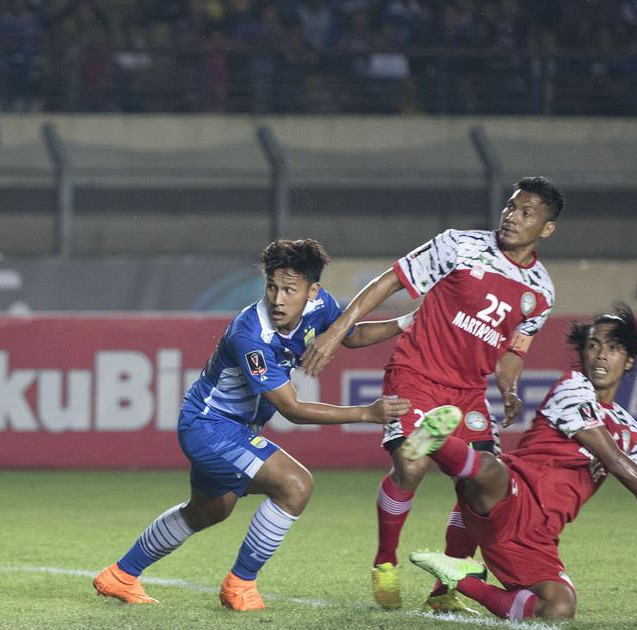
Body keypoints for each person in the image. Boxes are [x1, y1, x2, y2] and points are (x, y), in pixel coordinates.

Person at [93, 239, 411, 611]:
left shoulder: (321, 306)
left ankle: (121, 575)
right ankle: (240, 585)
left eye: (289, 289)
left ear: (313, 291)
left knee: (208, 511)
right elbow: (291, 408)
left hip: (233, 429)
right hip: (210, 427)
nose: (277, 299)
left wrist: (405, 322)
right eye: (272, 287)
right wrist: (366, 413)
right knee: (295, 485)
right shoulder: (251, 334)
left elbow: (351, 335)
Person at [300, 176, 565, 614]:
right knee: (411, 462)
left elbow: (515, 347)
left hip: (469, 393)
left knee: (478, 486)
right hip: (416, 373)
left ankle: (447, 590)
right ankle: (385, 562)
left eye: (526, 212)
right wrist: (335, 332)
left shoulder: (542, 291)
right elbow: (389, 281)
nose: (511, 217)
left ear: (547, 228)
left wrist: (510, 386)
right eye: (510, 207)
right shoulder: (458, 245)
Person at [406, 304, 637, 620]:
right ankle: (433, 441)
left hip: (538, 537)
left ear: (628, 361)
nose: (601, 354)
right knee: (489, 468)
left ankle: (459, 577)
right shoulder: (573, 387)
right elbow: (614, 460)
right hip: (511, 497)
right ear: (583, 352)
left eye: (613, 348)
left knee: (560, 608)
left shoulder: (632, 432)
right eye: (593, 345)